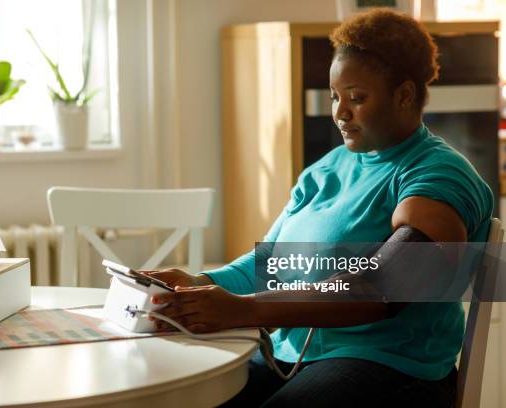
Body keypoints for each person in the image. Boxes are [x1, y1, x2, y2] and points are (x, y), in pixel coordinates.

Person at [142, 9, 493, 407]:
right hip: (293, 359)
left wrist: (244, 310)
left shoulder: (437, 174)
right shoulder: (325, 170)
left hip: (392, 367)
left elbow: (386, 287)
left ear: (405, 94)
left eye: (357, 98)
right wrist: (197, 282)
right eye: (335, 97)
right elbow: (266, 267)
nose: (340, 112)